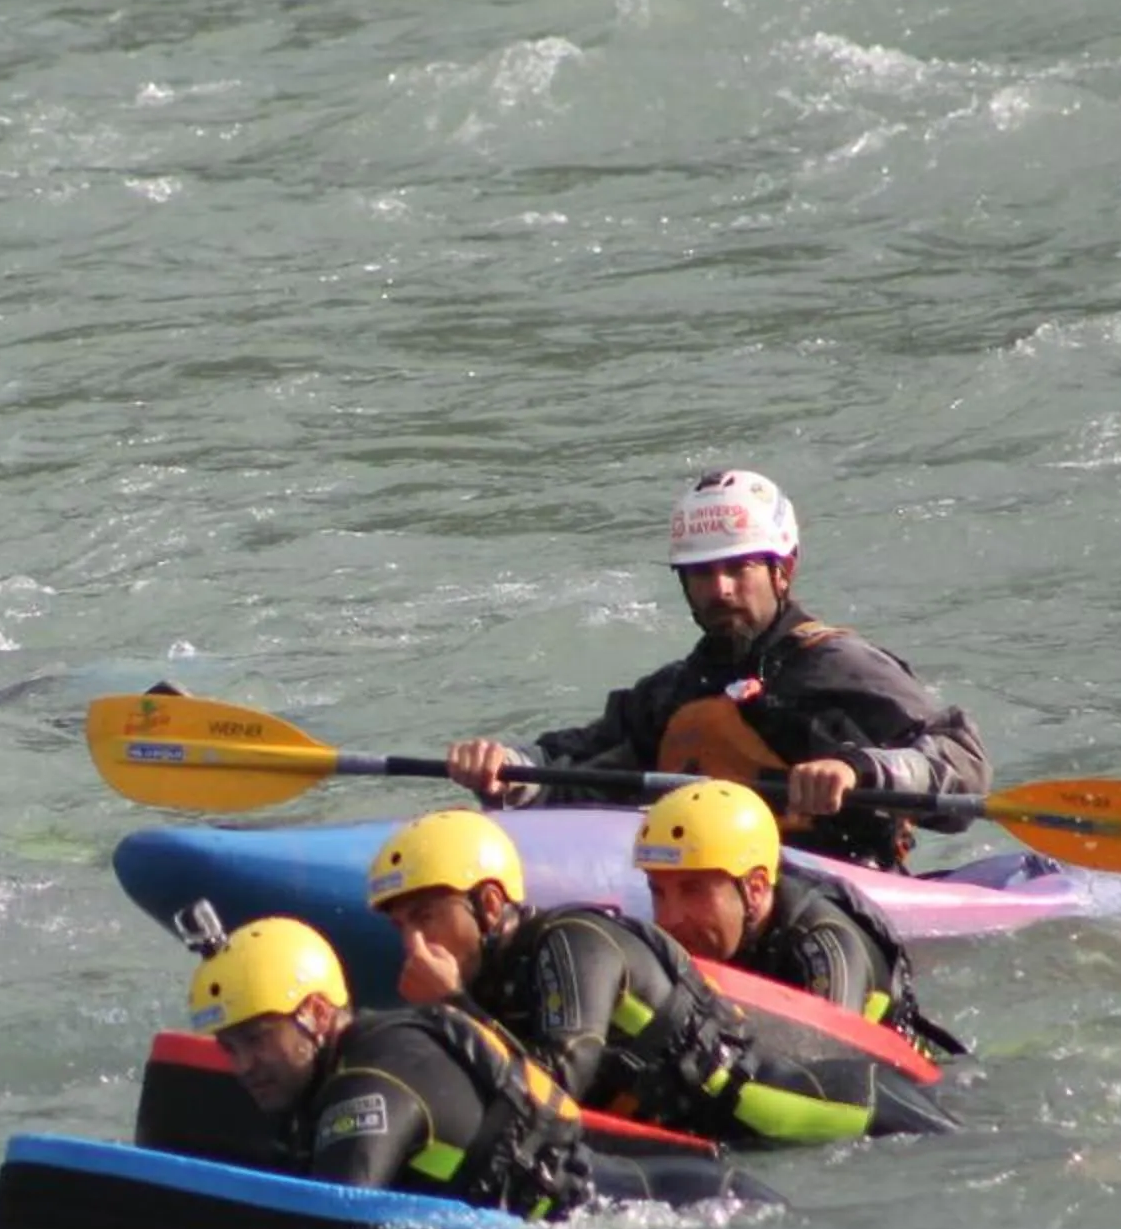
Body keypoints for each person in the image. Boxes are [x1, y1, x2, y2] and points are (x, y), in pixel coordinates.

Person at [444, 469, 989, 870]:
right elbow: (572, 771)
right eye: (701, 573)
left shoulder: (839, 667)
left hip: (839, 889)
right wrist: (505, 770)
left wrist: (860, 770)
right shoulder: (676, 692)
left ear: (783, 571)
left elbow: (964, 764)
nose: (719, 589)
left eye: (738, 568)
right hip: (701, 900)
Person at [365, 809, 953, 1145]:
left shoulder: (573, 943)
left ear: (490, 904)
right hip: (722, 1139)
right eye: (398, 928)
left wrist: (454, 1004)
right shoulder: (494, 977)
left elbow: (555, 1089)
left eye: (425, 918)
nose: (413, 944)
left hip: (815, 1107)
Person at [179, 914, 747, 1218]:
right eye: (231, 1048)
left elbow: (335, 1228)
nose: (244, 1064)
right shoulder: (345, 1070)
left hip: (701, 1208)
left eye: (257, 1038)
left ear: (318, 1013)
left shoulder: (369, 1080)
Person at [632, 780, 963, 1055]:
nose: (670, 918)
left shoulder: (825, 944)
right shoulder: (698, 931)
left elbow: (825, 1064)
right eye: (658, 891)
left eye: (693, 891)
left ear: (756, 887)